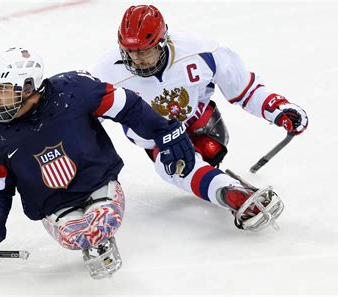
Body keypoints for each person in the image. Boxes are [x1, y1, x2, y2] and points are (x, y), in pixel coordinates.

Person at [0, 47, 195, 279]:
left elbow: (128, 106)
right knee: (81, 235)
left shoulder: (74, 90)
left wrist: (165, 132)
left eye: (4, 90)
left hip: (99, 187)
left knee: (98, 226)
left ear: (29, 88)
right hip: (55, 208)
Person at [93, 5, 308, 231]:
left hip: (199, 122)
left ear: (162, 42)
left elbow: (245, 89)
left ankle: (220, 181)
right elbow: (86, 123)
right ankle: (230, 194)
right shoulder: (105, 75)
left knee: (210, 149)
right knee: (175, 165)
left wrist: (278, 108)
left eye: (143, 51)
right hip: (158, 139)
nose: (135, 59)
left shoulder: (201, 51)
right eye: (129, 51)